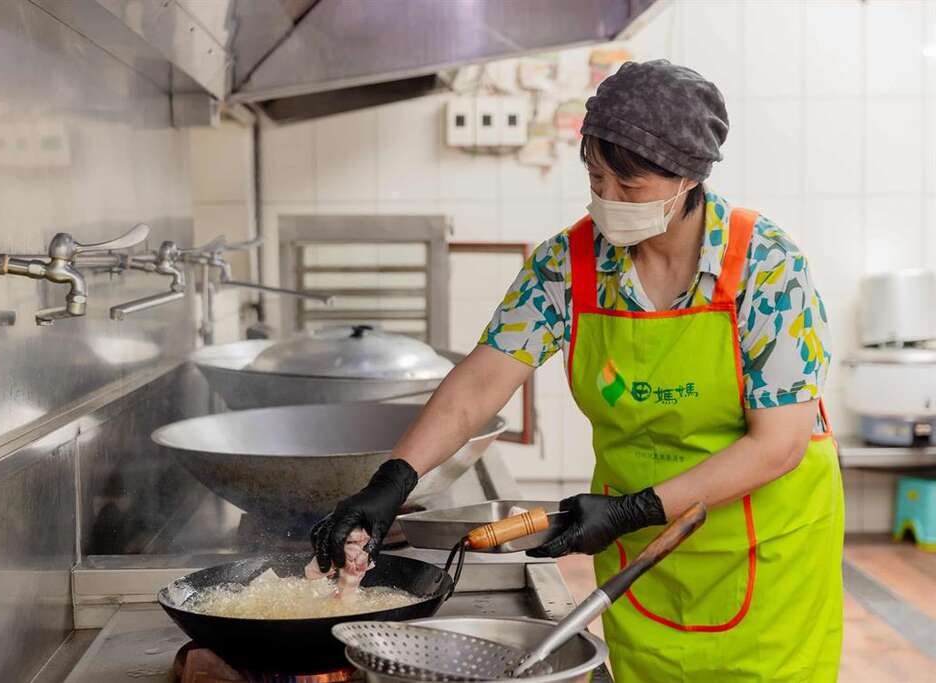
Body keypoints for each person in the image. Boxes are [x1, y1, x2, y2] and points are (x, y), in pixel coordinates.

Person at [310, 60, 843, 682]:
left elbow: (778, 445)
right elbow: (480, 383)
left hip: (765, 558)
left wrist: (629, 511)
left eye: (630, 184)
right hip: (643, 562)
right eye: (596, 178)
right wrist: (392, 482)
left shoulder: (767, 267)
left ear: (689, 177)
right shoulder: (569, 263)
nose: (608, 200)